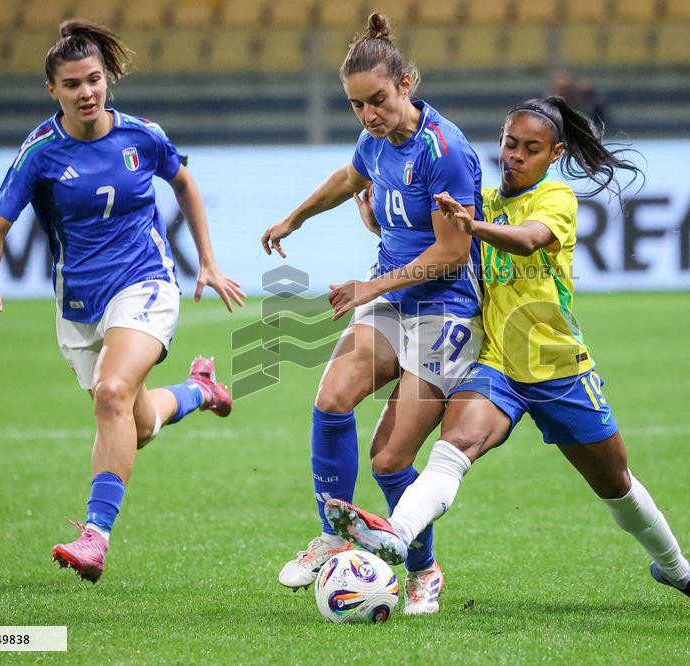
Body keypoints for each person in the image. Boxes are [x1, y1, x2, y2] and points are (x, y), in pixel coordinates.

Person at [325, 96, 690, 608]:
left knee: (616, 485)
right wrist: (378, 223)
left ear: (555, 153)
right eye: (509, 143)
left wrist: (473, 228)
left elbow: (526, 240)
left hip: (558, 369)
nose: (515, 155)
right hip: (497, 364)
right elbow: (436, 247)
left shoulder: (556, 199)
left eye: (531, 148)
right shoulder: (479, 201)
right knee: (453, 449)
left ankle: (678, 570)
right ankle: (398, 534)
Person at [0, 20, 246, 582]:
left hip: (146, 282)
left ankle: (95, 537)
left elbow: (184, 183)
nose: (87, 92)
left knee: (111, 392)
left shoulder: (142, 137)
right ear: (52, 90)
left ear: (108, 79)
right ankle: (199, 390)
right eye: (72, 84)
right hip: (80, 305)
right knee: (135, 421)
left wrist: (208, 261)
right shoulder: (40, 154)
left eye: (94, 79)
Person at [260, 13, 483, 614]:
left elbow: (452, 252)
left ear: (406, 84)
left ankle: (423, 568)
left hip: (446, 313)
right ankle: (332, 535)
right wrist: (295, 218)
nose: (367, 115)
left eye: (377, 100)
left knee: (389, 459)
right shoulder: (376, 140)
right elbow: (348, 176)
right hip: (392, 299)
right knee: (332, 400)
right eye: (356, 105)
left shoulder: (445, 151)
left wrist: (370, 286)